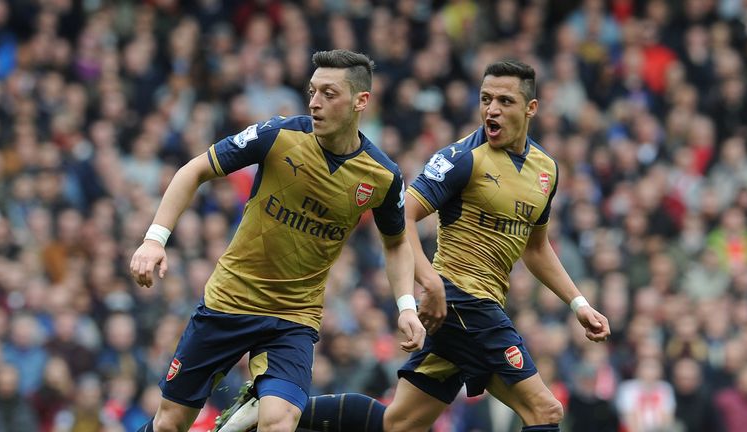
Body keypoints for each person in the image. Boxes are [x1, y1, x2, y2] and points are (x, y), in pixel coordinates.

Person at [216, 59, 611, 432]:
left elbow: (536, 248)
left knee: (400, 424)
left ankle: (270, 411)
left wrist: (579, 303)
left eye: (505, 101)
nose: (491, 110)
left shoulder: (546, 169)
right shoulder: (460, 159)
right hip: (463, 301)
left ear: (531, 108)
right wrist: (430, 282)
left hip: (471, 307)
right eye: (486, 99)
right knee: (546, 409)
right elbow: (402, 217)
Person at [128, 49, 426, 432]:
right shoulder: (279, 135)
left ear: (361, 101)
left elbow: (397, 242)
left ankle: (249, 418)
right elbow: (195, 169)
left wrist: (405, 306)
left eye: (329, 94)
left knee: (280, 422)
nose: (315, 103)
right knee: (170, 423)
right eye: (312, 91)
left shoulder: (382, 176)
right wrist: (155, 239)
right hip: (230, 301)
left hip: (292, 317)